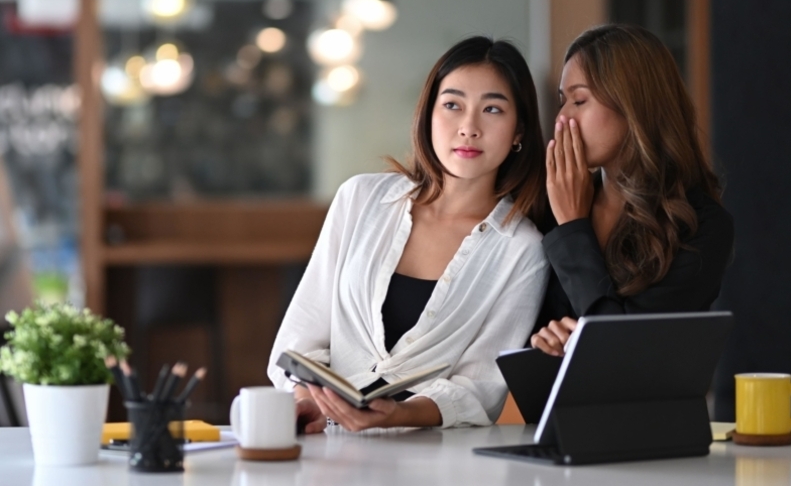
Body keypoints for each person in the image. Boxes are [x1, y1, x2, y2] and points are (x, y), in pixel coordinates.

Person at [268, 36, 550, 432]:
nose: (469, 128)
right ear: (428, 114)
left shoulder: (522, 250)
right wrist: (306, 402)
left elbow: (481, 387)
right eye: (452, 105)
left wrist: (400, 414)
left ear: (519, 129)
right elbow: (300, 336)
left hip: (430, 457)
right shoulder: (361, 200)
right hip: (324, 445)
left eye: (492, 109)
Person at [530, 24, 734, 356]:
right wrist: (545, 344)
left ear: (634, 105)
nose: (562, 118)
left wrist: (572, 228)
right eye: (562, 101)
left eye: (579, 100)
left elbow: (625, 350)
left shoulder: (701, 225)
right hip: (553, 406)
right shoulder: (547, 206)